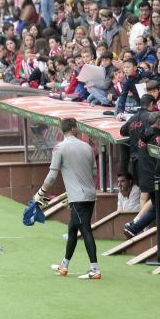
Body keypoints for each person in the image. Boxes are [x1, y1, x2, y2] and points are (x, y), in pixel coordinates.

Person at [35, 118, 101, 280]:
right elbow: (93, 173)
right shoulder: (87, 147)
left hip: (77, 197)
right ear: (74, 128)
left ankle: (95, 269)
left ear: (62, 130)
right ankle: (64, 265)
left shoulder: (59, 148)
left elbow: (52, 175)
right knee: (73, 228)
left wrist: (41, 192)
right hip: (89, 195)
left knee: (85, 228)